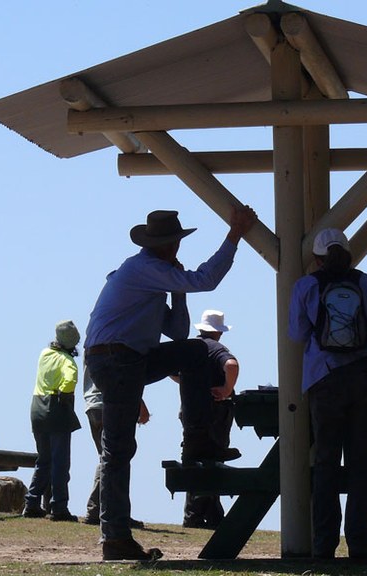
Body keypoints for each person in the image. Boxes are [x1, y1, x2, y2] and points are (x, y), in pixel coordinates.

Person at [84, 206, 256, 561]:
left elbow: (177, 332)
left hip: (125, 360)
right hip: (118, 360)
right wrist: (234, 235)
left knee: (194, 352)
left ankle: (197, 440)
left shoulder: (152, 276)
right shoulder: (143, 268)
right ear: (171, 244)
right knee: (118, 449)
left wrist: (177, 290)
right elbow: (205, 280)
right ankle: (114, 537)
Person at [289, 228, 367, 560]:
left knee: (326, 464)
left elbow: (297, 332)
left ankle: (324, 545)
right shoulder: (365, 282)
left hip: (325, 379)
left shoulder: (306, 286)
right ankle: (361, 544)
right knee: (363, 464)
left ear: (317, 258)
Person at [180, 309, 239, 529]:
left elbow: (173, 372)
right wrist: (226, 389)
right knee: (213, 458)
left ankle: (202, 514)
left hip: (190, 412)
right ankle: (202, 514)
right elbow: (231, 365)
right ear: (219, 332)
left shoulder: (188, 348)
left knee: (194, 458)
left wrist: (191, 386)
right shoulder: (216, 349)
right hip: (215, 411)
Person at [23, 320, 82, 522]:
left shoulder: (44, 354)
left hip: (37, 408)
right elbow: (70, 380)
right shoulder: (68, 361)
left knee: (44, 460)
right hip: (56, 409)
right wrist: (65, 394)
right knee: (60, 462)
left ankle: (31, 503)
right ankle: (59, 507)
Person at [81, 364, 148, 528]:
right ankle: (111, 511)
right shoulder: (111, 345)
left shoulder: (91, 345)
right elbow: (122, 377)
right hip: (109, 404)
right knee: (116, 458)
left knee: (108, 457)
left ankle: (98, 509)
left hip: (92, 405)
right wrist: (141, 405)